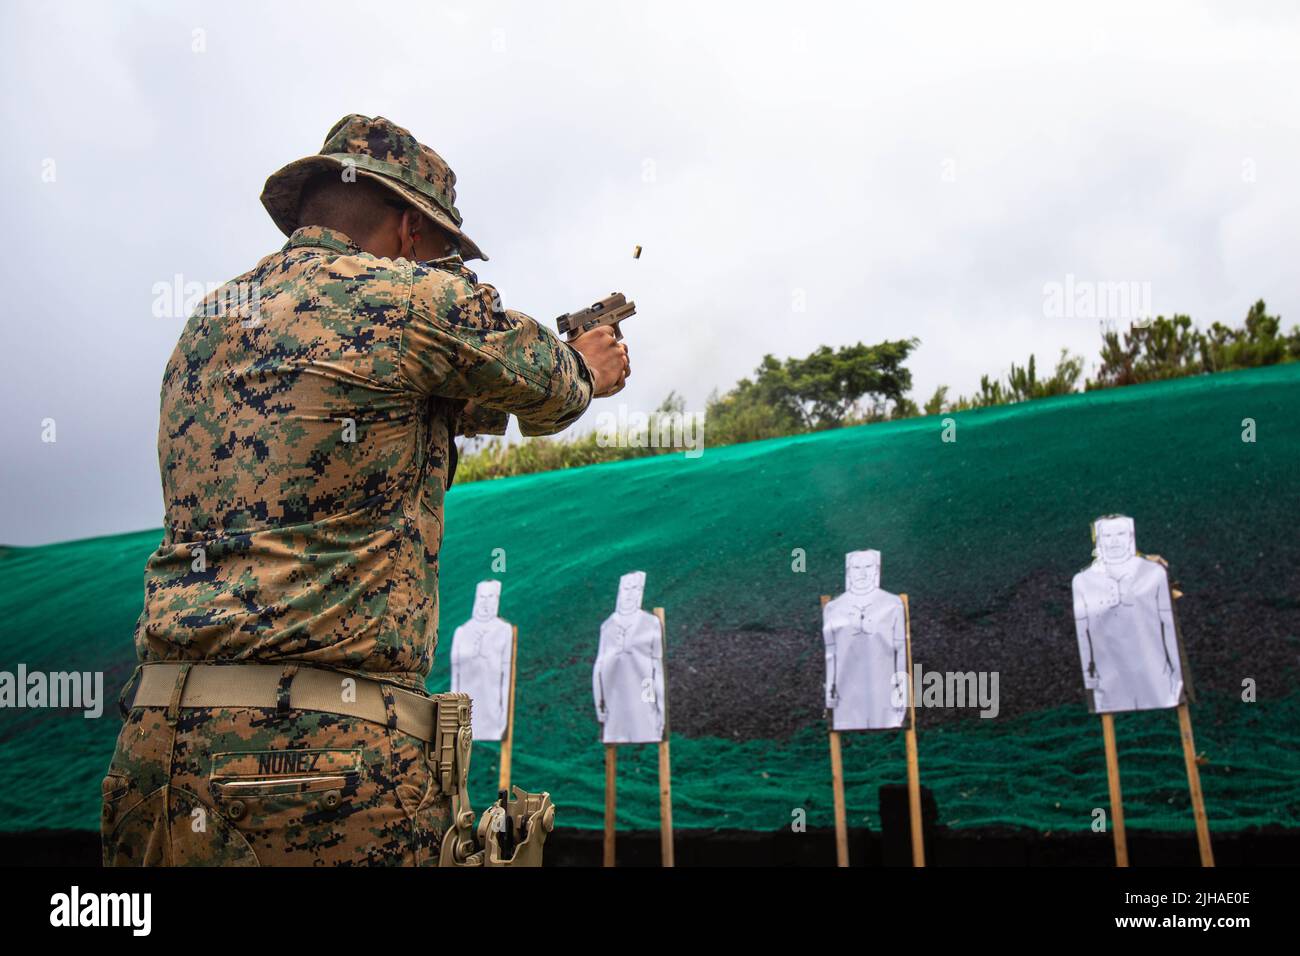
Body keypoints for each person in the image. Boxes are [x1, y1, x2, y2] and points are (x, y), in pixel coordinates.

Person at [101, 114, 629, 866]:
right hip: (318, 758)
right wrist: (590, 365)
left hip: (156, 745)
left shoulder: (209, 319)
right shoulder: (411, 301)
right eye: (445, 248)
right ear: (412, 229)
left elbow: (388, 399)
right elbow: (555, 391)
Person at [1073, 515, 1183, 713]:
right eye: (1108, 535)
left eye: (1120, 534)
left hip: (1152, 668)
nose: (1114, 541)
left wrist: (1177, 673)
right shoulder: (1084, 581)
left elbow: (1167, 625)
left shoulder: (1151, 573)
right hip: (1113, 672)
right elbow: (1085, 634)